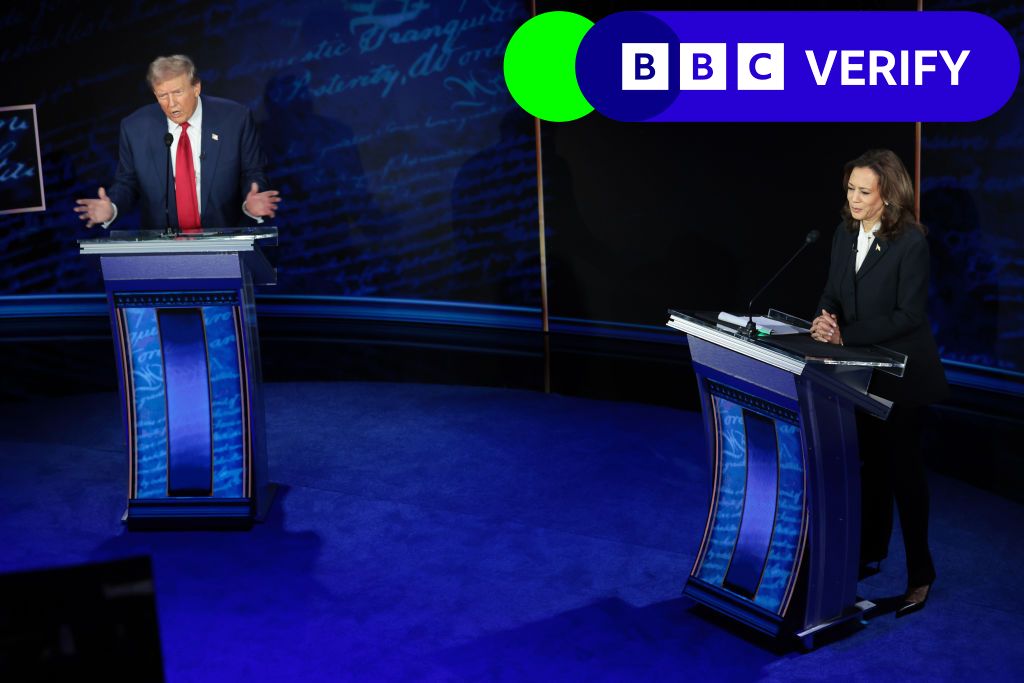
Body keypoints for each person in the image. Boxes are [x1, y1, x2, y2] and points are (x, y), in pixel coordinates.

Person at [810, 149, 949, 618]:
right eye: (850, 189)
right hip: (859, 373)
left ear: (887, 196)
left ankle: (921, 575)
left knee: (905, 476)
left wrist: (846, 333)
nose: (853, 198)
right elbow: (833, 291)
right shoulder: (844, 233)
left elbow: (908, 315)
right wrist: (824, 319)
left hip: (904, 378)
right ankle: (871, 551)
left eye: (863, 191)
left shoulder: (911, 241)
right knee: (869, 468)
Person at [75, 54, 280, 231]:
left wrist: (251, 201)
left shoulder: (235, 119)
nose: (171, 104)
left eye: (178, 93)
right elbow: (127, 182)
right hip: (162, 247)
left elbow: (253, 172)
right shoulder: (134, 128)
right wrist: (112, 207)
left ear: (196, 87)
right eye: (162, 95)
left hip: (225, 238)